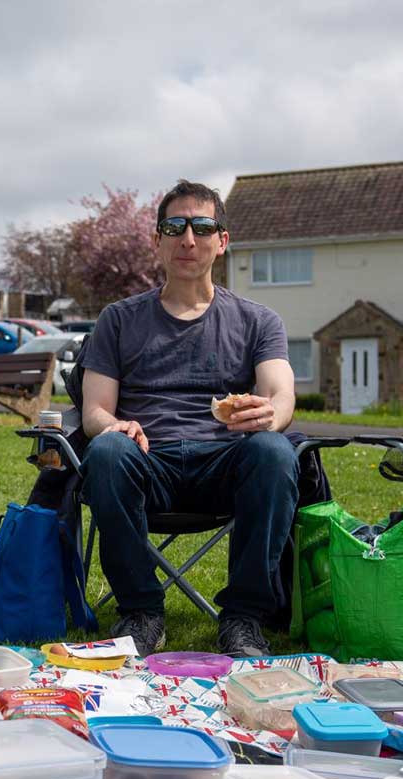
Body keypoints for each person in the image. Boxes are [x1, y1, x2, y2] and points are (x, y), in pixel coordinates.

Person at [77, 180, 297, 660]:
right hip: (146, 460)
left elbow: (282, 393)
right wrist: (113, 425)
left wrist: (271, 413)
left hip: (225, 461)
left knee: (274, 450)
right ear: (157, 240)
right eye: (174, 227)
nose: (188, 239)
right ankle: (141, 612)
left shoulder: (258, 321)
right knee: (107, 451)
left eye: (202, 227)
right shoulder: (119, 319)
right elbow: (94, 409)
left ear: (223, 240)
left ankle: (244, 619)